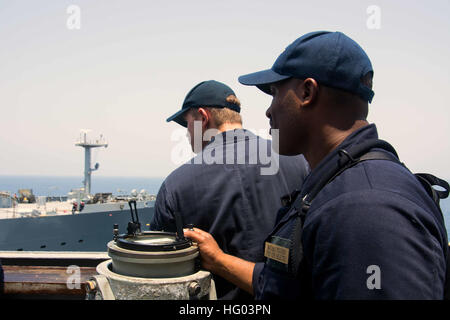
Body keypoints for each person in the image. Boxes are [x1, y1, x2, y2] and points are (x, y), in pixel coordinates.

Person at [184, 31, 449, 299]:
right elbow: (286, 285)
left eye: (275, 93)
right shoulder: (334, 181)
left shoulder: (366, 208)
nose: (268, 111)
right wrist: (218, 260)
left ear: (307, 92)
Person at [150, 80, 309, 299]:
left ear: (203, 118)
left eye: (187, 124)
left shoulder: (175, 185)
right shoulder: (298, 161)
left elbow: (162, 268)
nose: (187, 135)